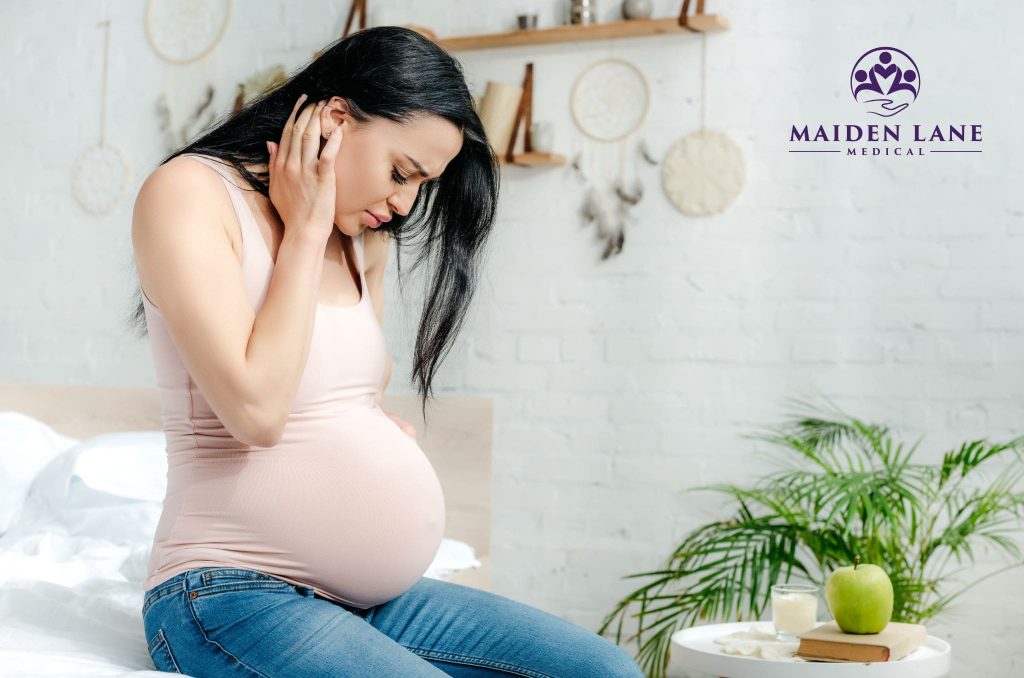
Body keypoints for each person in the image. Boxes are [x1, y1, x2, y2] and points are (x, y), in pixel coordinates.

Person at [130, 26, 644, 677]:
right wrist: (306, 229)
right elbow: (257, 413)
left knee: (605, 671)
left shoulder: (362, 236)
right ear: (336, 118)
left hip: (360, 599)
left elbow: (338, 394)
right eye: (401, 172)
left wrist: (371, 431)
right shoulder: (191, 194)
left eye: (422, 184)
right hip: (227, 596)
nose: (404, 203)